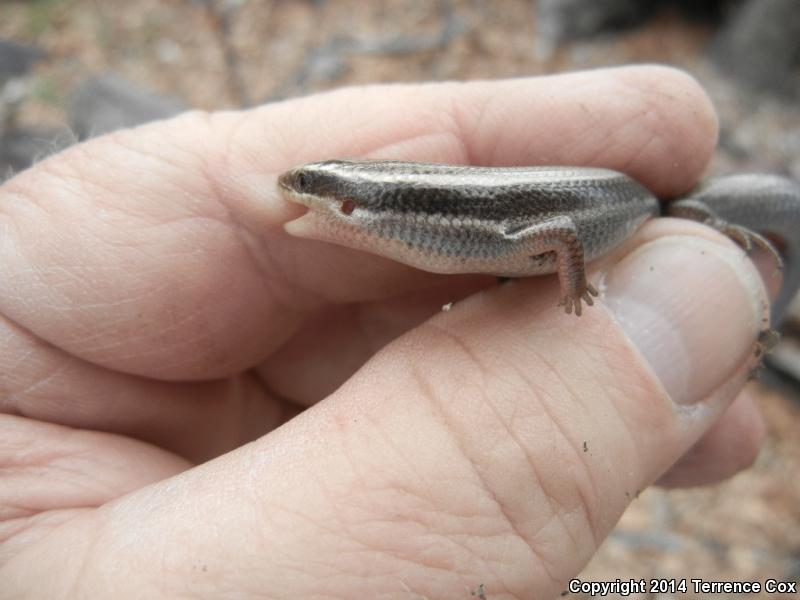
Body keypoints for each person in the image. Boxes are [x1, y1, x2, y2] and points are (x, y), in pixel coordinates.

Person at [0, 65, 772, 597]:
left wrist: (574, 296)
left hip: (629, 208)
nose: (295, 201)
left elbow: (567, 232)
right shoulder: (417, 229)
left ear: (357, 207)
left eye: (310, 192)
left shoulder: (489, 229)